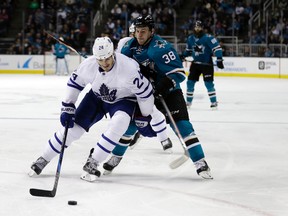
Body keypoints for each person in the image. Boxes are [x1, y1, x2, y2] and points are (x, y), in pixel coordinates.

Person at [29, 36, 159, 182]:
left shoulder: (128, 68)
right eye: (101, 59)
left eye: (108, 58)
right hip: (96, 98)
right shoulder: (88, 65)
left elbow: (145, 93)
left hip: (123, 100)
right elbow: (74, 84)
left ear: (113, 54)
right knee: (73, 129)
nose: (105, 63)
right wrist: (68, 106)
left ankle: (94, 161)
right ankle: (44, 158)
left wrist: (144, 116)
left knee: (120, 123)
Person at [103, 15, 213, 179]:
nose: (139, 35)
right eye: (137, 31)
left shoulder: (161, 47)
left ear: (151, 32)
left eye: (143, 31)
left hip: (168, 93)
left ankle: (200, 161)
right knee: (130, 125)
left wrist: (160, 87)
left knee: (182, 126)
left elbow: (179, 74)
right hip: (145, 94)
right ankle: (116, 157)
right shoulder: (128, 47)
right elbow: (121, 69)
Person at [182, 20, 224, 109]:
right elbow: (188, 51)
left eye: (199, 27)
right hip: (195, 64)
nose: (197, 29)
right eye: (196, 27)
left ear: (202, 28)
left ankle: (214, 102)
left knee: (208, 83)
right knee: (190, 82)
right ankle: (188, 102)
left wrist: (219, 59)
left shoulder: (208, 38)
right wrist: (183, 56)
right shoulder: (190, 38)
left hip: (206, 64)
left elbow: (217, 48)